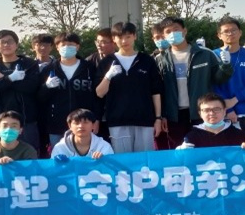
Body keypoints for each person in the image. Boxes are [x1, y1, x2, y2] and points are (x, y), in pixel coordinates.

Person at [177, 93, 245, 215]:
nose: (211, 113)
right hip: (206, 185)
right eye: (206, 110)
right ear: (200, 113)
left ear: (224, 111)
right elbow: (180, 162)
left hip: (233, 183)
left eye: (216, 109)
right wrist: (180, 152)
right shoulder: (192, 136)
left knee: (241, 199)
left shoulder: (239, 134)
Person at [155, 17, 233, 149]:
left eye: (176, 29)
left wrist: (226, 65)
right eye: (168, 31)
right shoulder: (160, 59)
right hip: (174, 116)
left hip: (200, 112)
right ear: (164, 35)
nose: (172, 34)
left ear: (184, 31)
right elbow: (158, 90)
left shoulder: (205, 54)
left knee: (204, 149)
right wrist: (162, 115)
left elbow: (219, 79)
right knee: (179, 151)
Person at [95, 21, 163, 153]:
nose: (124, 41)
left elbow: (156, 92)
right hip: (117, 120)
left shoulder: (146, 60)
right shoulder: (106, 62)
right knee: (122, 160)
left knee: (144, 160)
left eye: (128, 36)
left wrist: (158, 118)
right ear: (114, 39)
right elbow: (99, 93)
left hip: (144, 120)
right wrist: (108, 76)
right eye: (120, 37)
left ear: (134, 36)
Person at [0, 30, 41, 151]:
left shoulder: (29, 64)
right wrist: (10, 79)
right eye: (2, 42)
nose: (6, 45)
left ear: (16, 45)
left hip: (26, 121)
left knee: (29, 155)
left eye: (10, 41)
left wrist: (2, 79)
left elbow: (31, 87)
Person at [38, 32, 100, 147]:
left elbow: (97, 96)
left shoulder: (89, 68)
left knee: (84, 153)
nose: (67, 47)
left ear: (77, 46)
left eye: (71, 44)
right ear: (57, 47)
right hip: (56, 124)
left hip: (84, 122)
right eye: (63, 45)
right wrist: (46, 87)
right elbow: (40, 98)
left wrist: (96, 118)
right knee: (60, 155)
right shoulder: (48, 70)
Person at [213, 17, 245, 140]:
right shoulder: (213, 55)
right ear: (219, 35)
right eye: (226, 31)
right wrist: (227, 107)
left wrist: (235, 99)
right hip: (221, 112)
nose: (230, 33)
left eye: (234, 30)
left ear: (240, 32)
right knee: (224, 149)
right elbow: (212, 85)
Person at [86, 27, 116, 143]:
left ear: (114, 42)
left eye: (103, 42)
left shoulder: (119, 60)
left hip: (116, 111)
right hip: (96, 112)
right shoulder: (89, 62)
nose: (99, 45)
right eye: (97, 41)